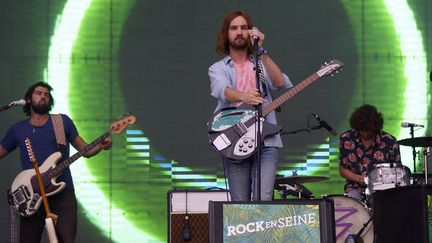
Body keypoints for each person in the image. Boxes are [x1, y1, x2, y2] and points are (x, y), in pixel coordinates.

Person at [0, 82, 112, 243]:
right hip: (31, 193)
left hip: (62, 193)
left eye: (46, 94)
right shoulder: (18, 129)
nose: (43, 96)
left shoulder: (62, 122)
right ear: (28, 99)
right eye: (38, 93)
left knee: (65, 240)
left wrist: (101, 145)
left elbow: (84, 150)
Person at [209, 11, 293, 201]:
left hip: (266, 140)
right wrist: (243, 96)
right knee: (240, 203)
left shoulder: (260, 63)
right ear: (226, 34)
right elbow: (222, 91)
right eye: (234, 28)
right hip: (236, 139)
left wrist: (261, 51)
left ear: (251, 32)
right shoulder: (218, 68)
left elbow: (280, 83)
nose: (239, 32)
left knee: (264, 200)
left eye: (244, 28)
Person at [339, 104, 401, 202]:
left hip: (382, 189)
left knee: (383, 205)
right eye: (362, 131)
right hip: (355, 187)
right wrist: (359, 179)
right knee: (352, 205)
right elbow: (343, 169)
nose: (366, 134)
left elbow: (398, 172)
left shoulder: (390, 141)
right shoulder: (346, 139)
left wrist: (377, 181)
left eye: (369, 131)